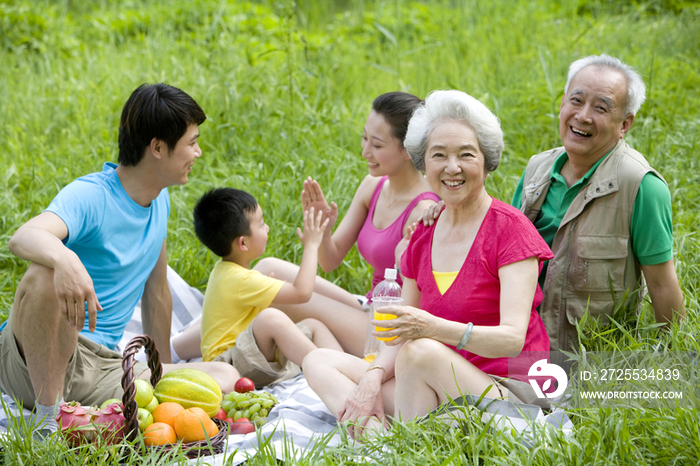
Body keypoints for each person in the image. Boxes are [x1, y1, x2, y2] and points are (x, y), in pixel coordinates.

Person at [303, 90, 554, 437]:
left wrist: (431, 328)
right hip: (433, 382)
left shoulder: (510, 229)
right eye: (439, 155)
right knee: (318, 360)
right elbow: (398, 331)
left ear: (486, 160)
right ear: (423, 163)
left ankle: (407, 443)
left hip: (509, 392)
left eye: (466, 154)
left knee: (419, 351)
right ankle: (385, 439)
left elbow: (512, 339)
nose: (452, 168)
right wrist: (373, 379)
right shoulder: (424, 234)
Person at [0, 84, 239, 433]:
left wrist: (165, 374)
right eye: (191, 142)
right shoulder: (91, 196)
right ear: (157, 147)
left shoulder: (159, 201)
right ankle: (46, 422)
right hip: (31, 360)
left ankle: (68, 412)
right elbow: (23, 237)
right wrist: (66, 261)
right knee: (44, 272)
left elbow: (157, 293)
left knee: (224, 377)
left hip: (101, 366)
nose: (198, 152)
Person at [510, 54, 685, 352]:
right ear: (563, 102)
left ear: (624, 124)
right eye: (576, 101)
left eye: (601, 108)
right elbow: (500, 250)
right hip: (519, 348)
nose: (583, 116)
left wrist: (669, 363)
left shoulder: (641, 185)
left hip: (590, 363)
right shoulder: (536, 169)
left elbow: (662, 285)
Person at [252, 92, 441, 357]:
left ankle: (201, 353)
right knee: (265, 269)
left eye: (377, 145)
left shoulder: (423, 211)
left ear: (409, 150)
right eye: (365, 138)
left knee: (268, 292)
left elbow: (426, 301)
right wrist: (322, 231)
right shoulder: (373, 185)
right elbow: (330, 261)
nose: (365, 151)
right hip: (368, 305)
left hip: (389, 331)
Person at [193, 188, 343, 387]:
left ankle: (346, 368)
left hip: (244, 357)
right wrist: (311, 245)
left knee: (314, 326)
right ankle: (330, 376)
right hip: (226, 365)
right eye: (262, 223)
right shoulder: (240, 280)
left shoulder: (227, 272)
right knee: (271, 319)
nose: (268, 228)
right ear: (243, 243)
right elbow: (302, 292)